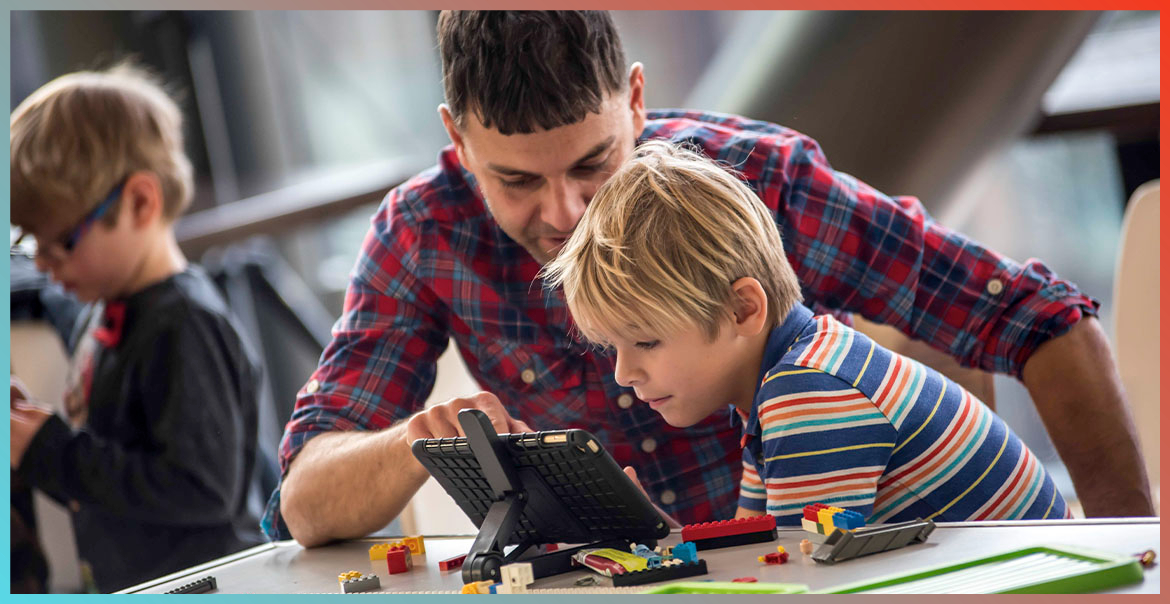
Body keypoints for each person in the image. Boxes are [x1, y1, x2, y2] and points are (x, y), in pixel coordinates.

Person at [269, 10, 1150, 546]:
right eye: (517, 181)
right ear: (458, 140)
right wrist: (419, 437)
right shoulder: (423, 233)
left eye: (593, 162)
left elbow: (1038, 320)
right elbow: (304, 498)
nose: (568, 214)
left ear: (638, 99)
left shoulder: (753, 181)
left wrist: (1130, 561)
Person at [544, 140, 1071, 524]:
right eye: (613, 346)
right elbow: (757, 548)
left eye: (647, 342)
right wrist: (651, 530)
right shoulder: (782, 383)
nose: (623, 372)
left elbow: (789, 584)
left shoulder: (809, 393)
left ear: (742, 310)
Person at [9, 64, 264, 592]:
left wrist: (57, 453)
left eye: (61, 242)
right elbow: (115, 478)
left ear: (140, 202)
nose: (44, 266)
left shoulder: (184, 326)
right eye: (30, 243)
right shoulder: (103, 308)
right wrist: (32, 436)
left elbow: (199, 489)